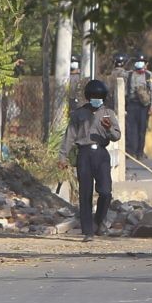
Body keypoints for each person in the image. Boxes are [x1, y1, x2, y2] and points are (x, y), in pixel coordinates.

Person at [58, 79, 121, 242]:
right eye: (93, 96)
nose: (96, 99)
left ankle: (99, 221)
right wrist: (63, 156)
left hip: (101, 154)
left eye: (98, 96)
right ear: (88, 96)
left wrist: (108, 128)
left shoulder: (109, 113)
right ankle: (88, 231)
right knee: (85, 192)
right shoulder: (79, 114)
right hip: (84, 154)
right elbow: (69, 136)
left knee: (105, 192)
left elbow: (116, 136)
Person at [125, 53, 152, 158]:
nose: (140, 63)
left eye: (142, 61)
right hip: (131, 104)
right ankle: (130, 152)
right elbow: (124, 91)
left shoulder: (149, 75)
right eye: (138, 61)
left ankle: (139, 152)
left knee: (141, 130)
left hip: (143, 106)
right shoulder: (128, 75)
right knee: (130, 129)